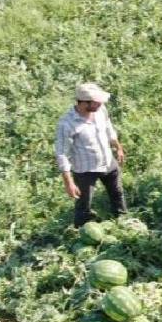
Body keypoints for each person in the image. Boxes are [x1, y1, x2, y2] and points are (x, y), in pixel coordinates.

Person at [54, 83, 128, 226]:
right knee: (83, 205)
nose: (101, 104)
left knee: (117, 194)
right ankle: (80, 231)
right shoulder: (67, 124)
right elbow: (62, 153)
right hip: (85, 170)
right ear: (84, 103)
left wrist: (118, 147)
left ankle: (123, 222)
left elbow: (109, 129)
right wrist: (68, 182)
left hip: (108, 163)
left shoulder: (100, 111)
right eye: (96, 102)